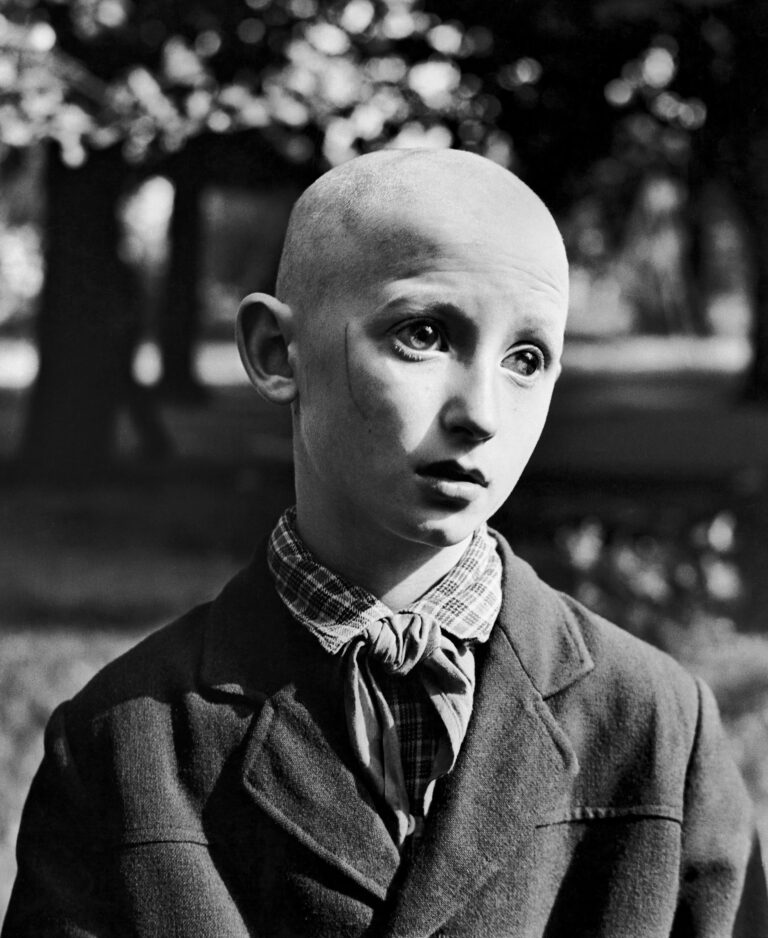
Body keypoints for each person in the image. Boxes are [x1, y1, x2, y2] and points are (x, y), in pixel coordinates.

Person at [3, 149, 766, 937]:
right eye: (425, 334)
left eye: (526, 359)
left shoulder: (657, 726)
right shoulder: (124, 741)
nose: (482, 413)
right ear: (274, 352)